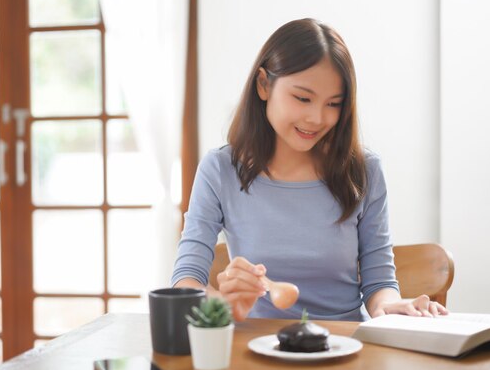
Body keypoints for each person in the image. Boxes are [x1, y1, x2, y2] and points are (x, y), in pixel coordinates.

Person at [171, 18, 448, 322]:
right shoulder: (220, 170)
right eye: (303, 98)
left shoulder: (364, 171)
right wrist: (225, 306)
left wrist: (390, 307)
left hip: (345, 350)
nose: (317, 118)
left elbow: (379, 281)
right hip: (255, 352)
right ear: (264, 85)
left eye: (334, 104)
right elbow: (187, 280)